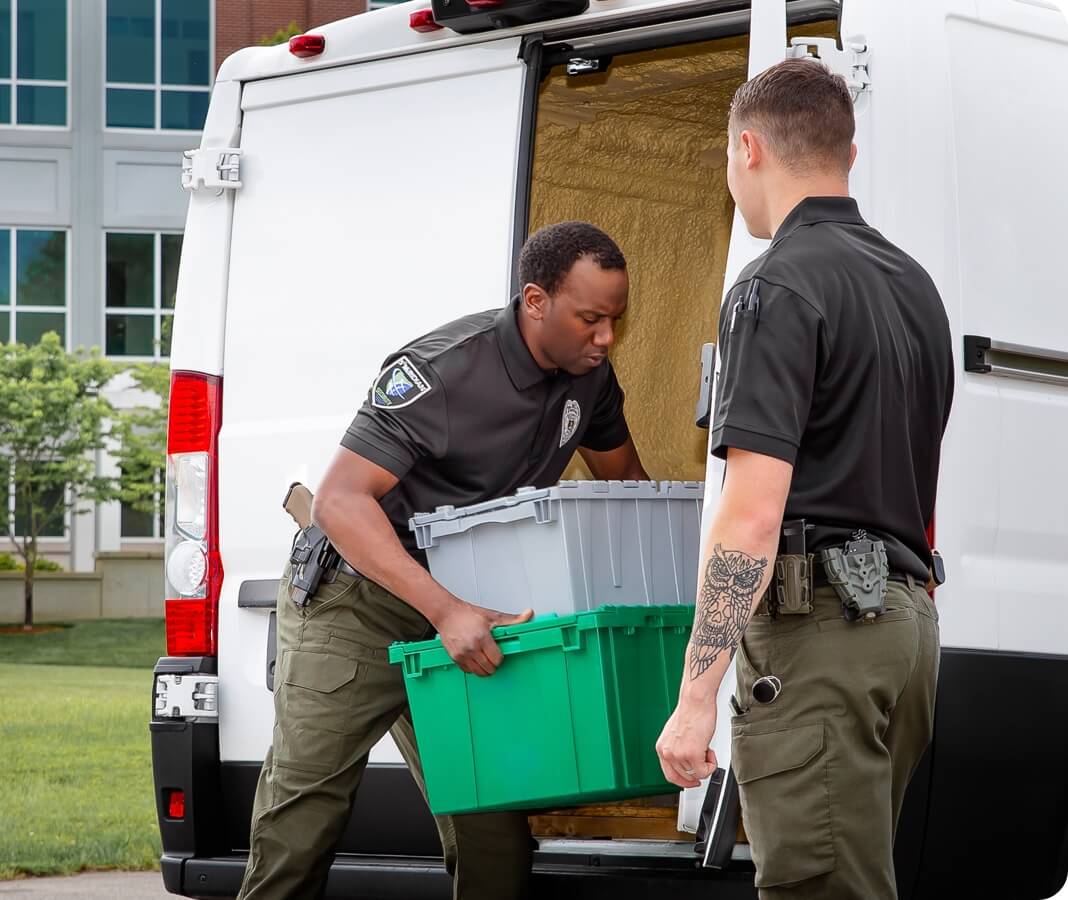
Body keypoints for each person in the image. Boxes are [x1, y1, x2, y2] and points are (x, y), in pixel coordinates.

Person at [238, 221, 651, 900]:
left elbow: (627, 483)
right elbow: (341, 501)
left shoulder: (590, 380)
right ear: (535, 301)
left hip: (467, 607)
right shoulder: (443, 369)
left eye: (615, 319)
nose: (606, 338)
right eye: (591, 319)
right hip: (359, 599)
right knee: (304, 816)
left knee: (493, 826)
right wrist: (445, 610)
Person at [654, 57, 954, 899]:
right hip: (903, 628)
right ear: (847, 158)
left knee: (818, 885)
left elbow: (752, 515)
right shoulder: (913, 286)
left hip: (821, 631)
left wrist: (695, 696)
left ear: (746, 148)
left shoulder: (774, 285)